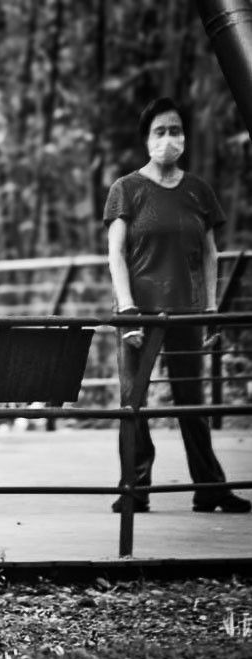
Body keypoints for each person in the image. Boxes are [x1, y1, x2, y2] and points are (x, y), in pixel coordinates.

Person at [104, 96, 250, 514]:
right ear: (146, 139)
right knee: (134, 402)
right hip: (139, 312)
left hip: (187, 310)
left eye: (176, 130)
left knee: (193, 402)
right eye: (160, 131)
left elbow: (210, 254)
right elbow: (116, 253)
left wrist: (211, 309)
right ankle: (134, 489)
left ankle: (210, 488)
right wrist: (127, 308)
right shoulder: (127, 189)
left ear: (184, 137)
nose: (169, 138)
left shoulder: (198, 190)